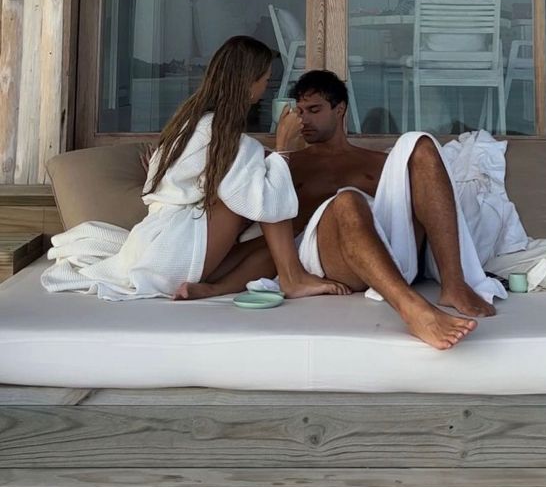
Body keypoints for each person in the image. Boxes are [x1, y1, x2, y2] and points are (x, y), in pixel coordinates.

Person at [175, 70, 506, 351]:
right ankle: (414, 310)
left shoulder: (378, 164)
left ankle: (454, 282)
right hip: (327, 259)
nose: (303, 119)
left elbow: (418, 210)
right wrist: (281, 152)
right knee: (347, 200)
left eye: (314, 110)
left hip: (393, 251)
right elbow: (253, 236)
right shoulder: (283, 165)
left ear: (340, 110)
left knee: (419, 143)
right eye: (299, 111)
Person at [41, 40, 348, 302]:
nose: (267, 86)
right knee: (265, 194)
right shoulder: (217, 130)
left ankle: (213, 288)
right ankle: (293, 279)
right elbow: (262, 202)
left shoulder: (193, 122)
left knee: (280, 247)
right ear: (249, 80)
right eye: (266, 78)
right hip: (173, 253)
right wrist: (284, 148)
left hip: (163, 247)